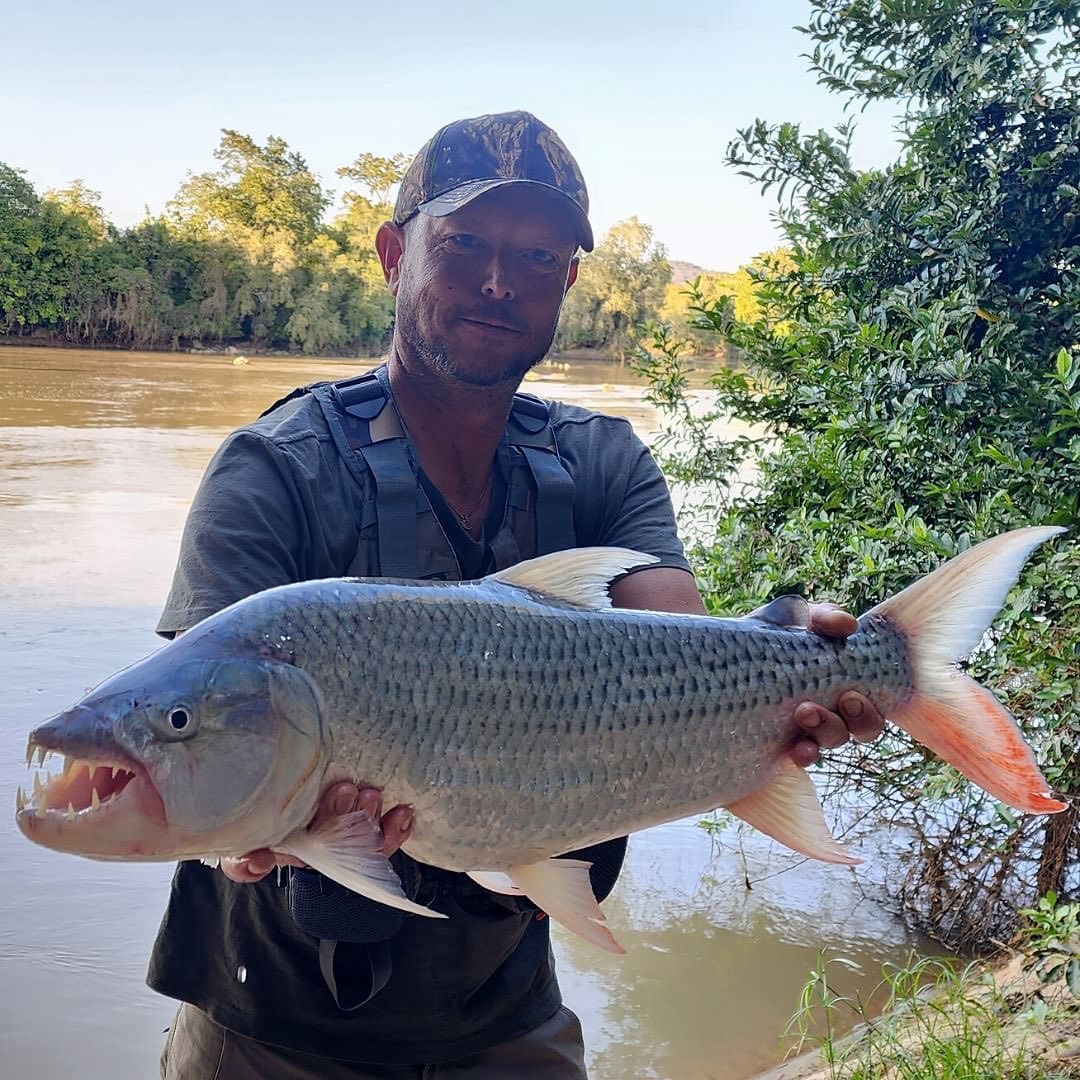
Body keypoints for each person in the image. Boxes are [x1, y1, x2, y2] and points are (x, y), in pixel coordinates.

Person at [152, 110, 884, 1079]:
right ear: (392, 252)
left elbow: (679, 648)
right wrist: (234, 840)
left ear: (569, 282)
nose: (499, 281)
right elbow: (194, 727)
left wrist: (782, 676)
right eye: (465, 244)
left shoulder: (602, 463)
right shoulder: (272, 468)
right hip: (267, 1024)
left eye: (538, 256)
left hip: (503, 1009)